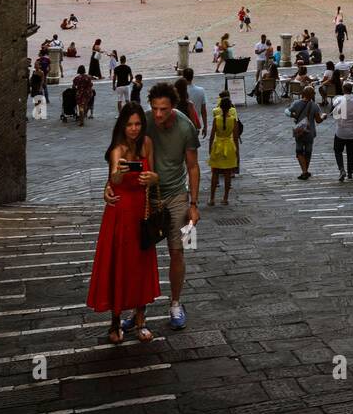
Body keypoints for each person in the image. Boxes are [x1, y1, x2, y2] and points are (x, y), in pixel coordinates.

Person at [109, 82, 200, 332]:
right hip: (144, 195)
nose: (159, 114)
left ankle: (175, 303)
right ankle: (138, 310)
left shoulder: (186, 127)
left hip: (176, 195)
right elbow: (121, 149)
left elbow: (192, 167)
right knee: (138, 255)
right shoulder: (143, 121)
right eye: (155, 108)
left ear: (173, 107)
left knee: (178, 250)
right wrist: (111, 185)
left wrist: (194, 204)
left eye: (165, 109)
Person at [87, 104, 160, 344]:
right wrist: (118, 173)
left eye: (138, 124)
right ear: (122, 125)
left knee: (140, 265)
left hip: (142, 211)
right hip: (119, 213)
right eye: (129, 124)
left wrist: (152, 178)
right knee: (118, 265)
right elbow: (114, 180)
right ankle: (115, 321)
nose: (134, 129)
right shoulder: (117, 150)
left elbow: (155, 174)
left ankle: (141, 319)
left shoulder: (147, 143)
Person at [208, 91, 240, 205]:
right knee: (227, 174)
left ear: (220, 107)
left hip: (218, 146)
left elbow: (212, 136)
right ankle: (225, 197)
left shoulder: (216, 119)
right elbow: (235, 137)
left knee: (215, 173)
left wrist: (210, 148)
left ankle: (212, 198)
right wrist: (236, 152)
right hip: (229, 147)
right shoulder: (233, 120)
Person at [332, 83, 353, 181]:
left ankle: (341, 169)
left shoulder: (339, 100)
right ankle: (350, 173)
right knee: (351, 153)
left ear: (343, 90)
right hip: (352, 132)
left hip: (340, 131)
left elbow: (334, 111)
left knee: (338, 151)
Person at [290, 85, 324, 180]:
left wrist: (294, 115)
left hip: (299, 131)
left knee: (299, 150)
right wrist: (324, 116)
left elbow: (288, 112)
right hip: (310, 132)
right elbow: (318, 120)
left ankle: (304, 171)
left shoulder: (296, 103)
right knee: (308, 152)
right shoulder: (314, 105)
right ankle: (305, 171)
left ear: (303, 94)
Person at [182, 67, 208, 139]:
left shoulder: (179, 91)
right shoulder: (201, 90)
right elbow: (203, 111)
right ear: (192, 77)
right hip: (194, 125)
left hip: (181, 126)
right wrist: (205, 126)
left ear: (183, 77)